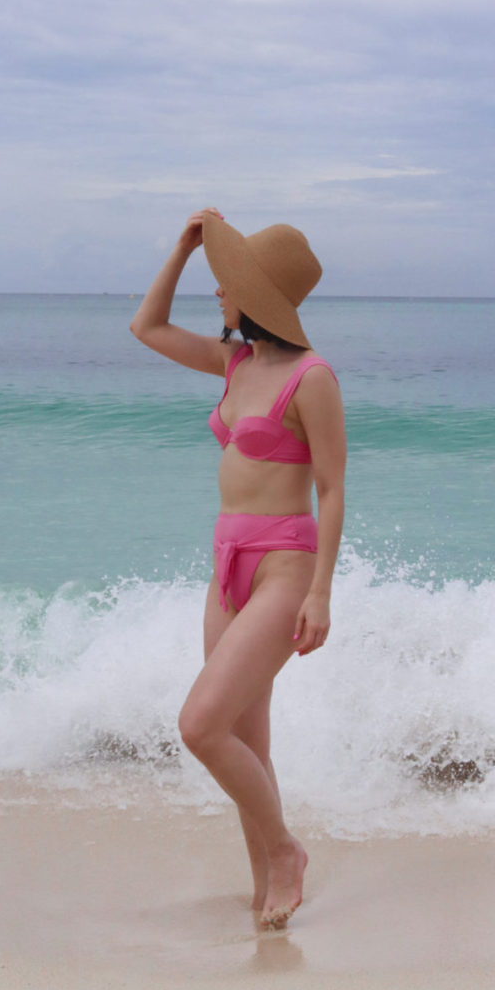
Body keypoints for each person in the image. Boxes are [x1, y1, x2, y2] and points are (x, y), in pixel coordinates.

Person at [130, 207, 346, 929]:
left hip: (285, 568)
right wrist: (183, 249)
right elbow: (147, 328)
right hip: (226, 565)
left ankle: (285, 854)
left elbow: (332, 487)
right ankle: (266, 893)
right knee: (246, 740)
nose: (218, 294)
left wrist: (320, 593)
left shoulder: (313, 378)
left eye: (227, 283)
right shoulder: (237, 362)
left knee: (200, 726)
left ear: (258, 297)